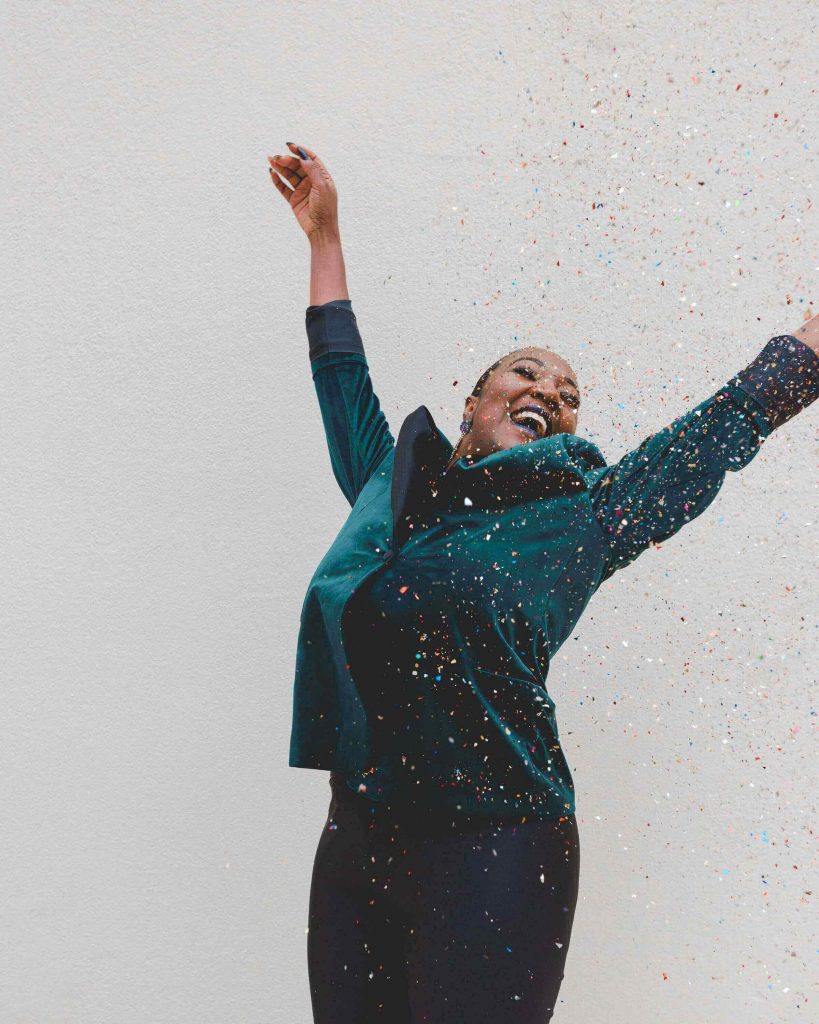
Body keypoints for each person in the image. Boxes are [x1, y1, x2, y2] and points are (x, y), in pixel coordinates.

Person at [268, 143, 819, 1023]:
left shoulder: (583, 518)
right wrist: (323, 236)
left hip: (498, 848)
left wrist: (811, 340)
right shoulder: (392, 491)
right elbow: (340, 378)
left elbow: (716, 430)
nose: (550, 393)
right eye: (525, 372)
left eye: (568, 394)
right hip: (359, 840)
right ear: (474, 403)